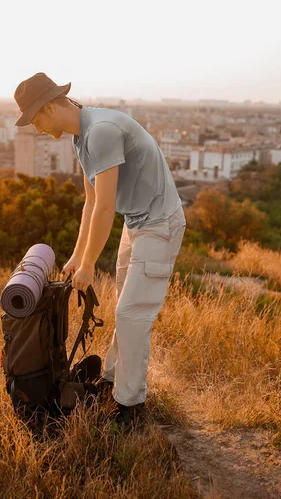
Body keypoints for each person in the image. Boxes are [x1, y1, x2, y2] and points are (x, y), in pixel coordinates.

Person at [14, 72, 186, 425]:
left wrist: (91, 263)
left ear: (48, 106)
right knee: (126, 309)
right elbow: (90, 202)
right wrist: (79, 256)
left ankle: (131, 408)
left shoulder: (101, 132)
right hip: (137, 222)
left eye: (36, 119)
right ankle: (111, 382)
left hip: (158, 224)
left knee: (131, 315)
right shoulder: (81, 137)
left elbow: (106, 206)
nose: (37, 128)